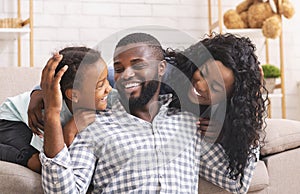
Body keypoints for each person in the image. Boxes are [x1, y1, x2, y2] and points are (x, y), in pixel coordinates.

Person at [39, 32, 260, 194]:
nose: (126, 75)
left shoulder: (188, 122)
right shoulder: (94, 125)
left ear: (161, 69)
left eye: (138, 65)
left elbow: (236, 182)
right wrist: (51, 113)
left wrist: (254, 100)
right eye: (118, 68)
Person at [164, 33, 267, 191]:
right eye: (204, 73)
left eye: (215, 88)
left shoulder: (222, 118)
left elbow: (239, 183)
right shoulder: (168, 72)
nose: (201, 86)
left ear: (229, 98)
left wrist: (225, 133)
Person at [0, 46, 112, 173]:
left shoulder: (103, 97)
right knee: (39, 164)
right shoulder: (47, 114)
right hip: (11, 120)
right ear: (74, 95)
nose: (109, 88)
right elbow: (52, 156)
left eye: (107, 80)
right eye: (100, 85)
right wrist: (69, 132)